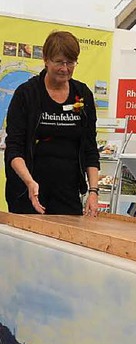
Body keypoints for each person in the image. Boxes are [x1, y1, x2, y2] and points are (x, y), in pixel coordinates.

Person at [5, 30, 101, 216]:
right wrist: (30, 182)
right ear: (46, 60)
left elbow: (90, 147)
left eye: (70, 62)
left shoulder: (82, 95)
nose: (65, 68)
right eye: (59, 62)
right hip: (28, 192)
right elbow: (13, 148)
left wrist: (93, 192)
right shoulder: (27, 94)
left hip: (67, 194)